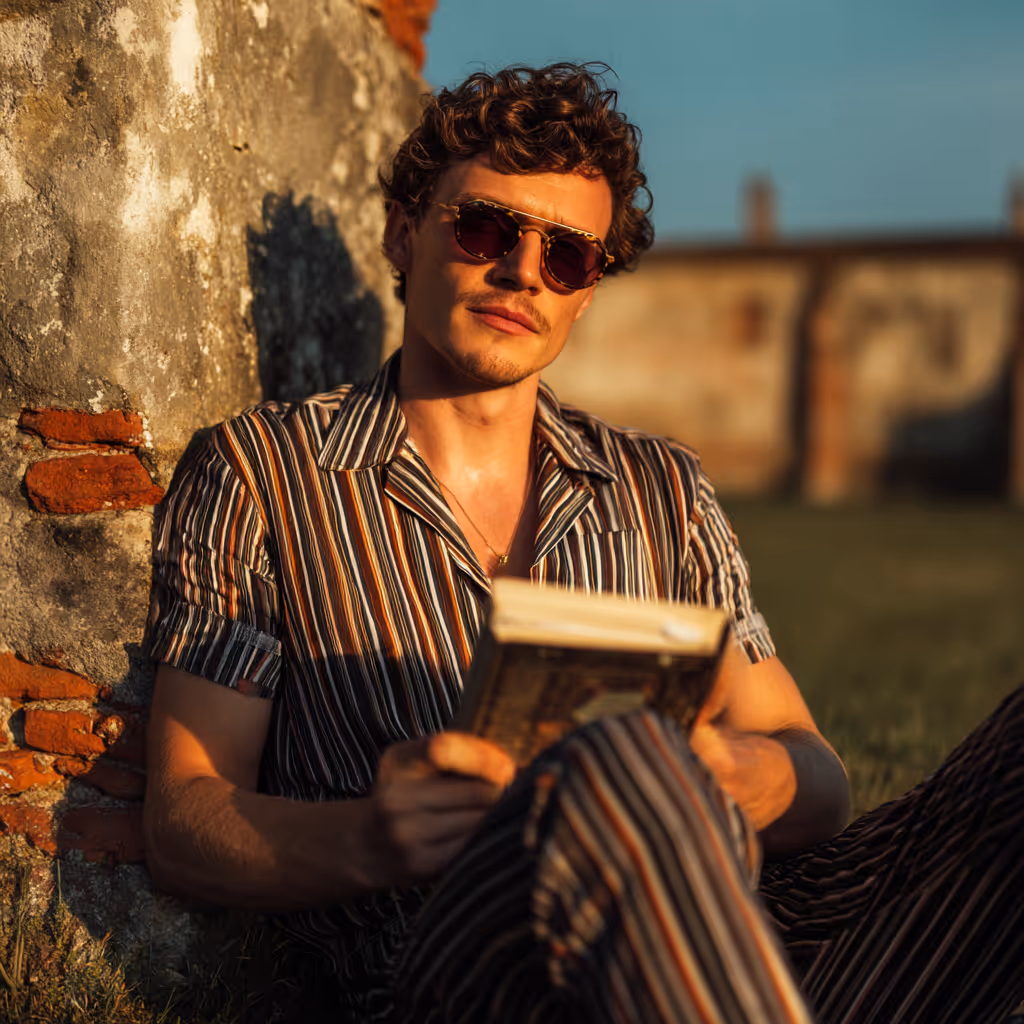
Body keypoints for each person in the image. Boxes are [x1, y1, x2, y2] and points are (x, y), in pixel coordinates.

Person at [144, 64, 1024, 1024]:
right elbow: (185, 814)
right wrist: (368, 838)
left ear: (587, 292)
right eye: (485, 228)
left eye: (567, 257)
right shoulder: (264, 471)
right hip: (479, 969)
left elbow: (816, 773)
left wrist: (739, 775)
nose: (523, 270)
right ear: (404, 231)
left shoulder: (661, 487)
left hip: (748, 929)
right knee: (616, 763)